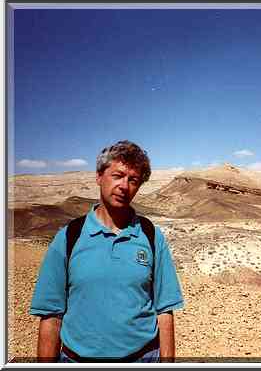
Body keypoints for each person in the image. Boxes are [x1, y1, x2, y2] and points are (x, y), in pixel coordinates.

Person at [30, 140, 184, 363]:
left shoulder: (151, 235)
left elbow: (165, 311)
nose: (124, 185)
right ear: (99, 176)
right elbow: (51, 315)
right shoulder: (69, 237)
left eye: (133, 180)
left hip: (143, 359)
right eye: (118, 175)